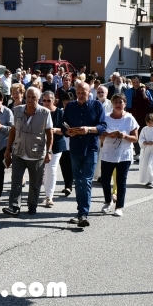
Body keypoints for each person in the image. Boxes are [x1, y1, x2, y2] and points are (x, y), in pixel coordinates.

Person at [2, 87, 53, 216]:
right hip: (19, 152)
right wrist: (8, 149)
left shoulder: (45, 113)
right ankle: (14, 206)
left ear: (38, 99)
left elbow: (50, 133)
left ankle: (32, 205)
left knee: (35, 183)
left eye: (33, 97)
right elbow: (13, 130)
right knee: (16, 180)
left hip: (36, 154)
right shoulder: (17, 110)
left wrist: (49, 151)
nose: (30, 100)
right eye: (28, 97)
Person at [62, 82, 107, 227]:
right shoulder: (70, 106)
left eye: (84, 92)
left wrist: (89, 129)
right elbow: (63, 125)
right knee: (79, 182)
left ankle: (83, 213)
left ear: (89, 92)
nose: (81, 95)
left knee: (86, 181)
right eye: (79, 92)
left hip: (90, 148)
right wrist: (67, 131)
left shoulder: (97, 105)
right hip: (75, 149)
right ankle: (80, 211)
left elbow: (103, 126)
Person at [99, 94, 139, 216]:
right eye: (115, 102)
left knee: (121, 181)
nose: (118, 104)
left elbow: (135, 138)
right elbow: (99, 135)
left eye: (120, 102)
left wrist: (125, 136)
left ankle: (119, 207)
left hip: (123, 154)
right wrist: (106, 134)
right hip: (107, 153)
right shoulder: (105, 117)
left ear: (125, 104)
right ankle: (107, 201)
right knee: (105, 180)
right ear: (112, 103)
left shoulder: (129, 118)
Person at [40, 90, 67, 207]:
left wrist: (55, 130)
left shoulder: (60, 113)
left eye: (48, 100)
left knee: (51, 169)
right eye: (44, 100)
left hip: (57, 145)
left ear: (54, 100)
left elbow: (66, 130)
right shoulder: (39, 112)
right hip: (41, 145)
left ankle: (49, 196)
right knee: (44, 171)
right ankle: (46, 193)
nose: (46, 103)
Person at [138, 114, 153, 188]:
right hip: (146, 150)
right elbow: (141, 138)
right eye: (147, 122)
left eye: (150, 122)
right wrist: (143, 142)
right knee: (145, 164)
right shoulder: (144, 129)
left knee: (151, 164)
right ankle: (147, 180)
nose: (148, 124)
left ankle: (152, 181)